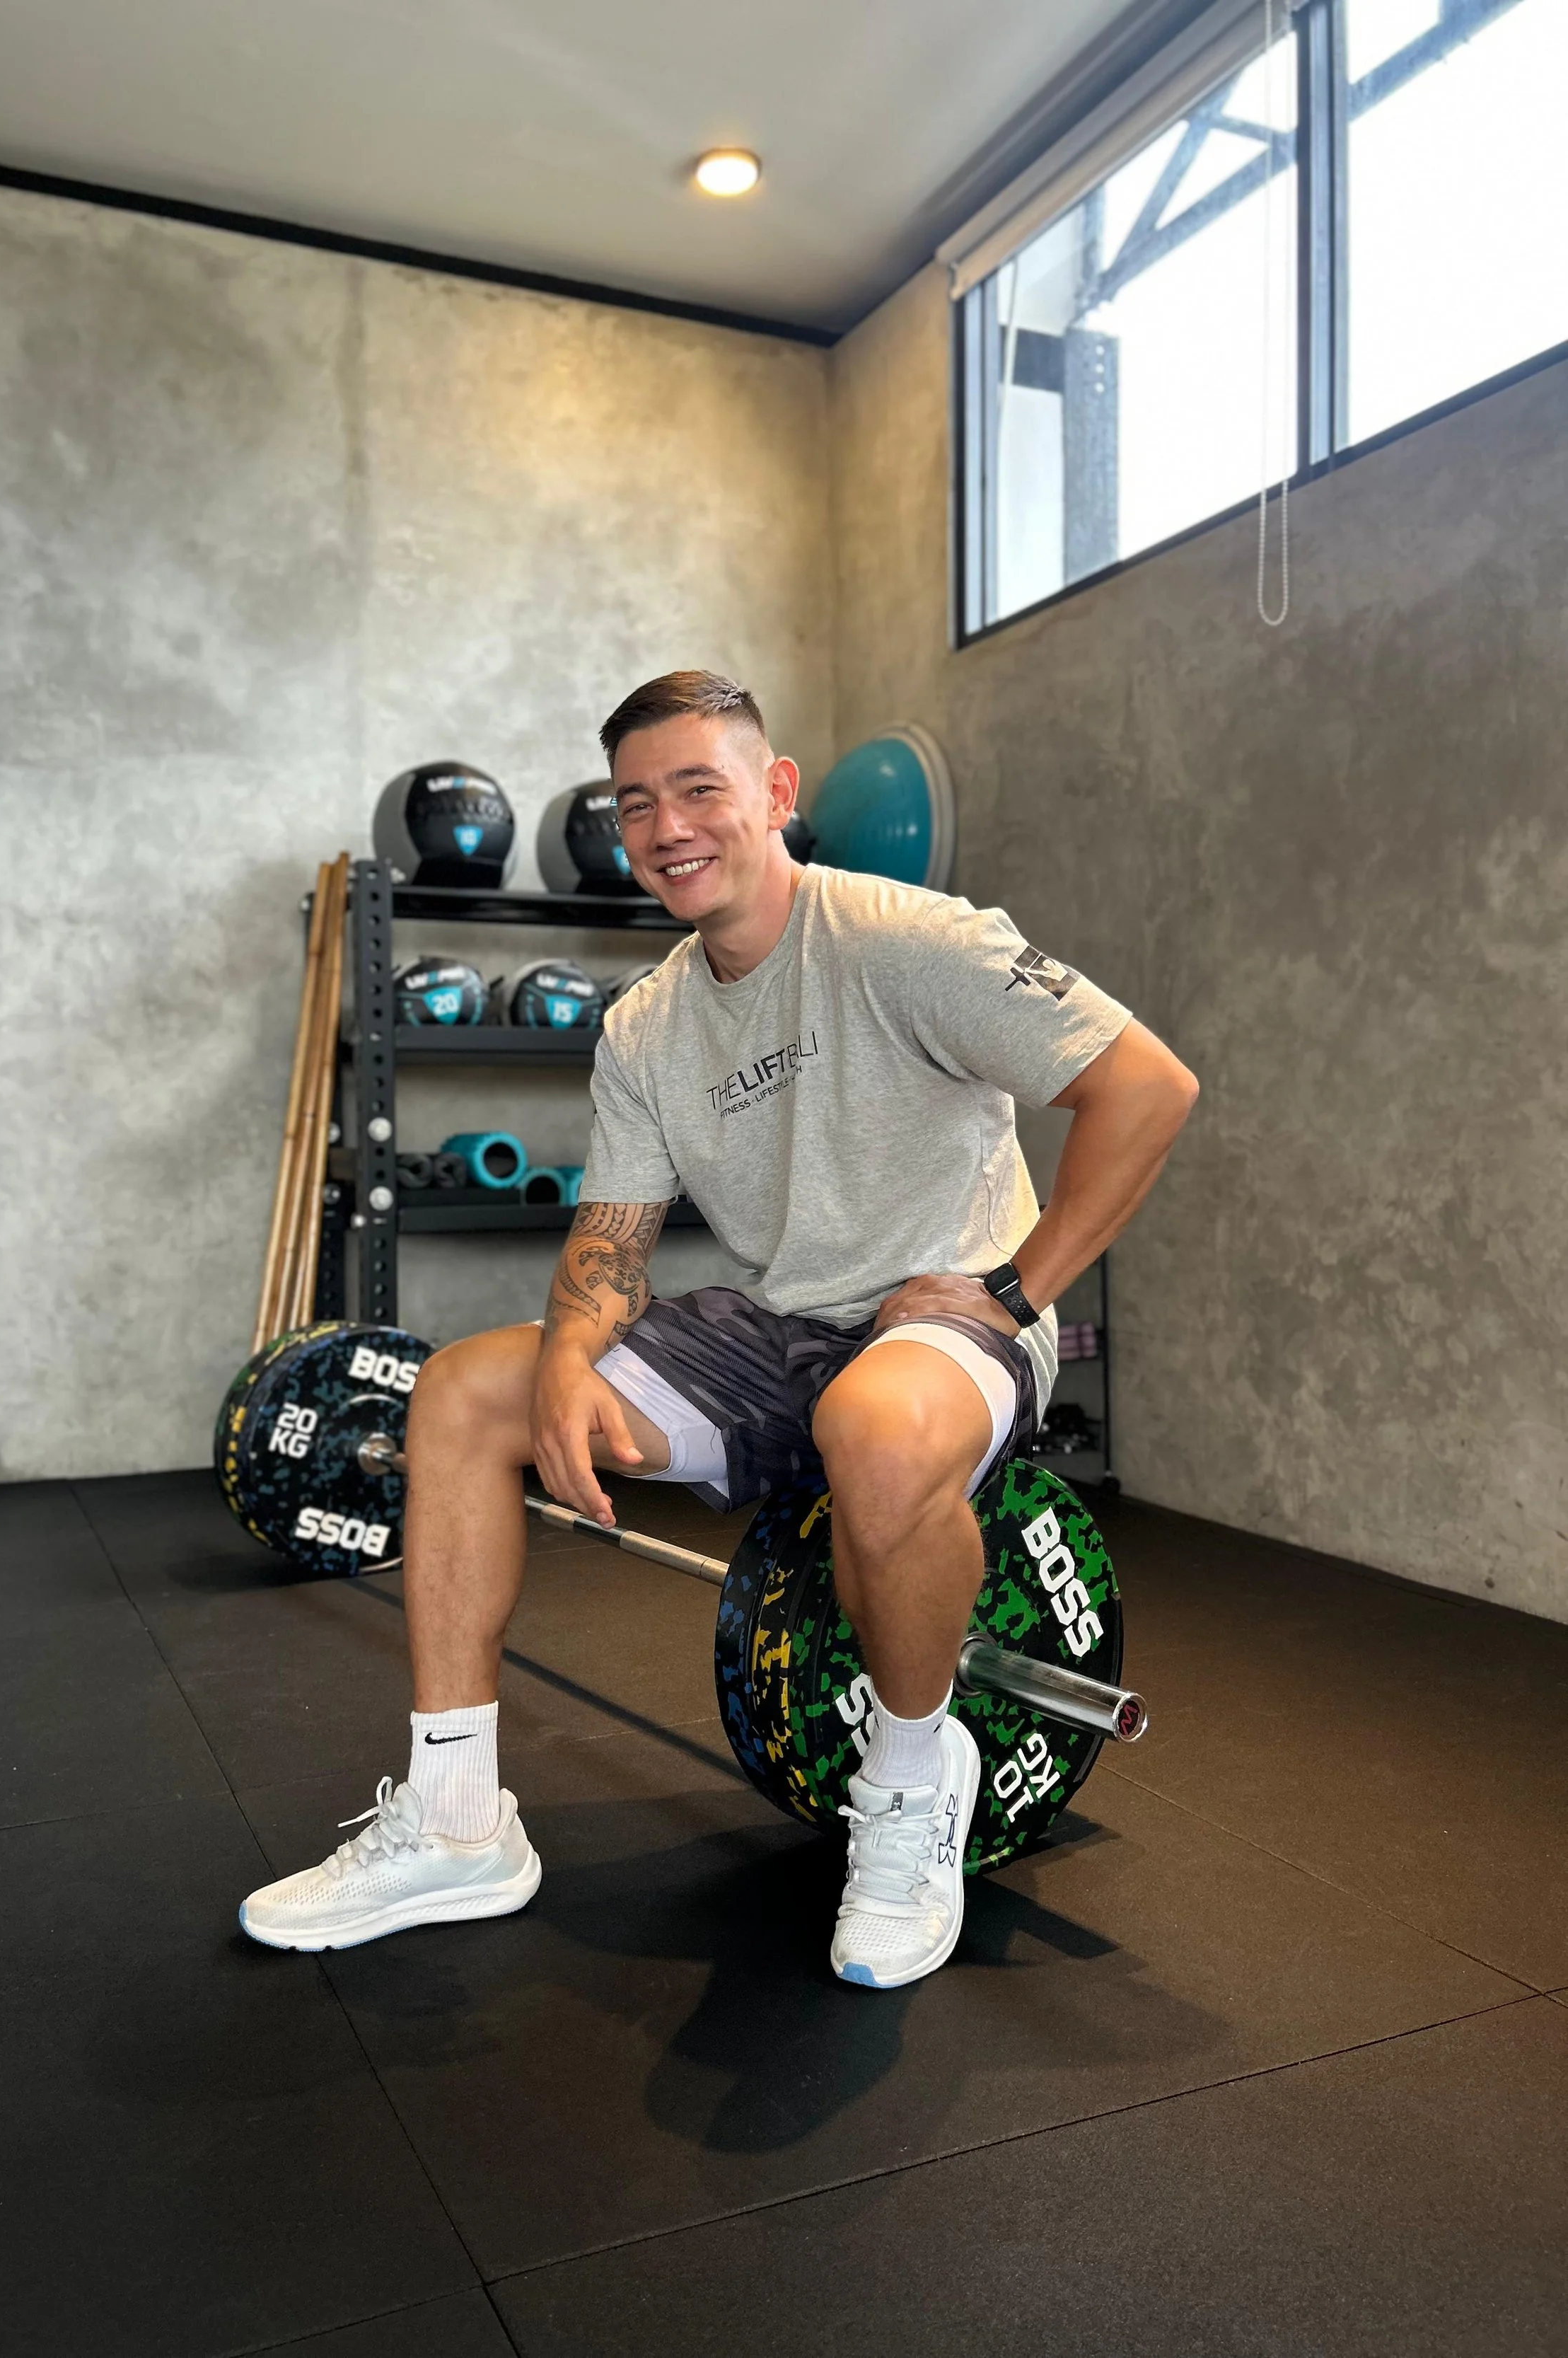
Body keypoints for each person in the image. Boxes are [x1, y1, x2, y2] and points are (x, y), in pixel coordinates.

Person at [240, 671, 1197, 1987]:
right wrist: (567, 1360)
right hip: (781, 1329)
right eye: (638, 804)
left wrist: (1014, 1290)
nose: (668, 827)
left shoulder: (907, 937)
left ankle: (914, 1781)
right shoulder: (645, 1025)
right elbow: (611, 1243)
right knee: (462, 1392)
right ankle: (459, 1822)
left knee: (872, 1420)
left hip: (949, 1328)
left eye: (700, 788)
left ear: (778, 792)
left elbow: (1147, 1086)